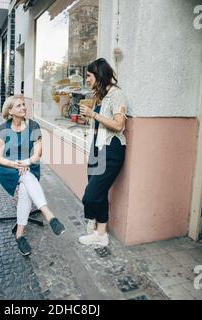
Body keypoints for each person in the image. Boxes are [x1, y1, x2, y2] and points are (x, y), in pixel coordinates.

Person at [0, 96, 66, 256]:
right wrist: (16, 164)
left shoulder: (33, 126)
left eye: (24, 105)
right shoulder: (2, 130)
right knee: (26, 179)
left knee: (26, 187)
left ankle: (20, 235)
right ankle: (49, 215)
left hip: (29, 166)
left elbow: (38, 153)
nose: (23, 108)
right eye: (18, 106)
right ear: (10, 111)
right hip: (7, 169)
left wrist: (25, 162)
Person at [78, 58, 127, 247]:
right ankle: (101, 234)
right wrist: (90, 117)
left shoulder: (117, 95)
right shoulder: (101, 95)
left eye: (89, 76)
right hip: (97, 147)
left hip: (111, 149)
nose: (87, 79)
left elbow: (118, 124)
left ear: (99, 75)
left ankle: (91, 219)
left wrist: (94, 114)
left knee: (90, 196)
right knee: (100, 192)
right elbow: (99, 122)